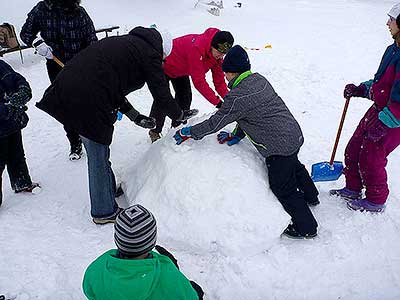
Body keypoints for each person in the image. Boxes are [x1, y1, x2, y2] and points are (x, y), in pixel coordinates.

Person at [36, 26, 197, 224]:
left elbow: (111, 83)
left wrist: (135, 116)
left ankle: (108, 190)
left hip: (70, 90)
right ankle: (103, 211)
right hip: (85, 98)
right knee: (97, 154)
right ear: (161, 50)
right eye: (163, 58)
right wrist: (179, 114)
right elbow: (162, 95)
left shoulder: (127, 45)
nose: (162, 62)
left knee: (99, 152)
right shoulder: (149, 53)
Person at [173, 45, 319, 239]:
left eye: (226, 73)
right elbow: (252, 114)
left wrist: (190, 132)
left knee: (283, 187)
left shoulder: (237, 97)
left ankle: (306, 227)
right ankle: (311, 196)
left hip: (278, 146)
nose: (225, 77)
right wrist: (237, 135)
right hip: (293, 134)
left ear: (233, 72)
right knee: (294, 166)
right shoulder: (259, 80)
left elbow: (215, 122)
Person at [329, 3, 400, 213]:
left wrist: (387, 121)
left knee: (371, 156)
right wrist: (362, 89)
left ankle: (376, 200)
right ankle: (353, 187)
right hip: (379, 110)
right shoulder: (393, 49)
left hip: (393, 119)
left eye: (392, 19)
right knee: (353, 148)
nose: (387, 23)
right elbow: (382, 82)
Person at [20, 0, 98, 160]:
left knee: (87, 101)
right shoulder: (41, 9)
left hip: (81, 65)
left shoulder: (79, 12)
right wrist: (37, 43)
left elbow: (92, 39)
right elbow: (25, 33)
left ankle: (92, 136)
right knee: (66, 105)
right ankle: (75, 142)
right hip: (56, 65)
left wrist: (91, 62)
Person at [82, 204, 204, 300]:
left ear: (117, 239)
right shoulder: (166, 273)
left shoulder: (97, 267)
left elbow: (89, 292)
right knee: (197, 290)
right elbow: (190, 297)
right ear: (152, 241)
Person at [148, 28, 234, 142]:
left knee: (185, 96)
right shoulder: (197, 48)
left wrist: (229, 99)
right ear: (212, 46)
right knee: (163, 99)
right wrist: (218, 103)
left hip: (181, 70)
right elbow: (199, 82)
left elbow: (219, 82)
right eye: (219, 52)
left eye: (223, 54)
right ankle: (154, 130)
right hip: (164, 66)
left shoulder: (217, 57)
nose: (220, 56)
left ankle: (177, 127)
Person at [0, 59, 40, 206]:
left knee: (16, 154)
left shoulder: (1, 65)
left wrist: (23, 90)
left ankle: (21, 182)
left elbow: (16, 78)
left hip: (11, 123)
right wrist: (8, 108)